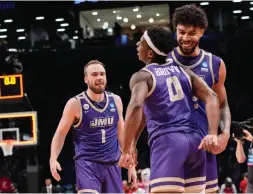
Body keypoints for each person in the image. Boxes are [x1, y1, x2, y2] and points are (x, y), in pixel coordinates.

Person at [119, 26, 220, 193]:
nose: (137, 44)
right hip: (196, 143)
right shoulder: (185, 72)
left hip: (168, 143)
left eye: (141, 42)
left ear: (150, 53)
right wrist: (212, 133)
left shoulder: (143, 76)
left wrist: (125, 150)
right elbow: (212, 96)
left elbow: (136, 106)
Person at [168, 4, 232, 193]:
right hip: (172, 143)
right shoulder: (162, 60)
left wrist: (225, 132)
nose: (186, 38)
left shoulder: (215, 64)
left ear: (202, 32)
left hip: (203, 142)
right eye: (181, 32)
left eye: (192, 33)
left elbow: (222, 104)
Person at [49, 60, 137, 193]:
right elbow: (60, 134)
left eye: (102, 74)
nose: (99, 78)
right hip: (87, 164)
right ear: (86, 79)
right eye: (94, 74)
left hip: (113, 164)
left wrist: (131, 165)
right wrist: (53, 158)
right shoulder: (75, 104)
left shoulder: (116, 101)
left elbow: (122, 134)